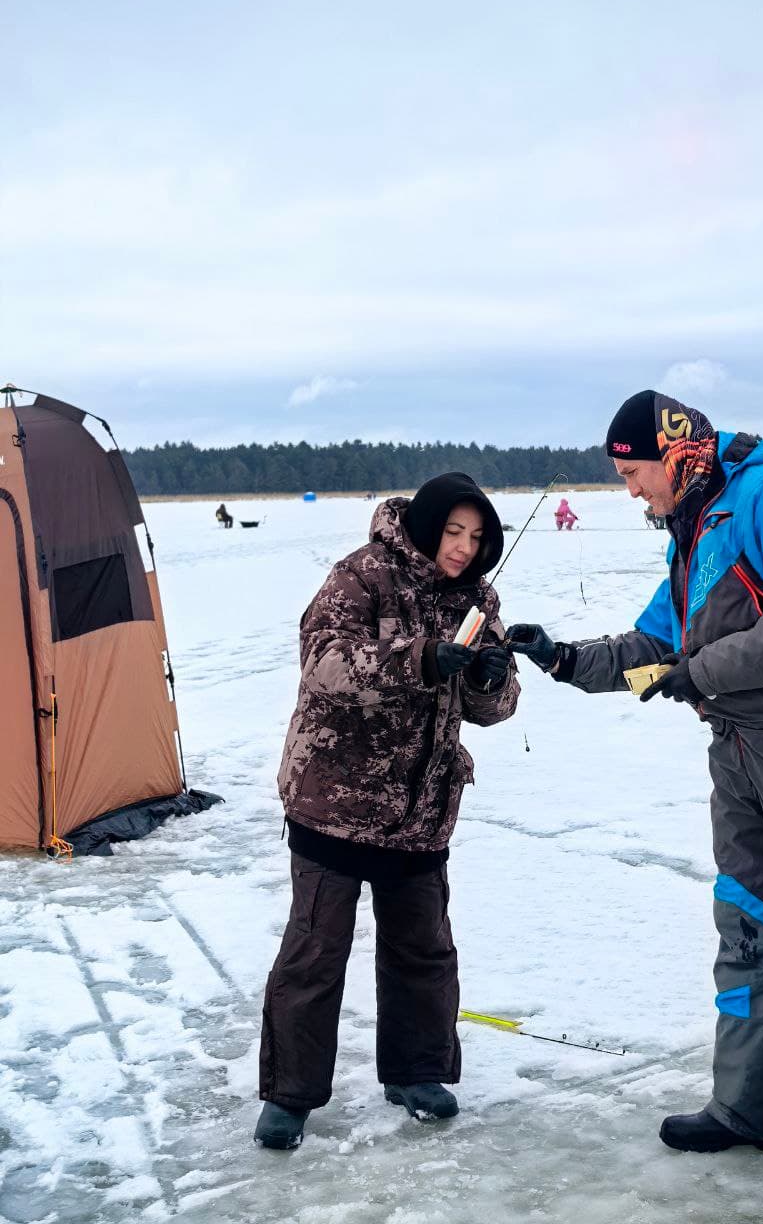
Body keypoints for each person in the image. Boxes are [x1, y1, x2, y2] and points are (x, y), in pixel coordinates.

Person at [507, 390, 763, 1206]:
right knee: (751, 933)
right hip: (739, 755)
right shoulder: (698, 524)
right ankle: (754, 1107)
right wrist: (562, 657)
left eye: (632, 473)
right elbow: (659, 647)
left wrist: (700, 673)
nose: (629, 491)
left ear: (674, 453)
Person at [256, 473, 519, 1149]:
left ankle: (417, 1072)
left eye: (478, 537)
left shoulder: (480, 598)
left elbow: (495, 707)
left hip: (422, 807)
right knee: (314, 954)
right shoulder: (361, 577)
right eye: (454, 532)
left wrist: (490, 680)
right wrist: (424, 658)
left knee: (423, 951)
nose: (464, 548)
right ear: (429, 523)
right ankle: (290, 1095)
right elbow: (325, 667)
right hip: (335, 803)